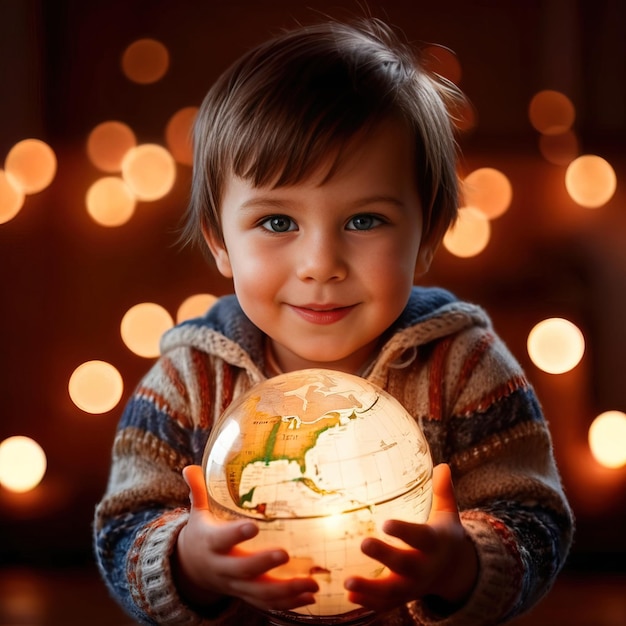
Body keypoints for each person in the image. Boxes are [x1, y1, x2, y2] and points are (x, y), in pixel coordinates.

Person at [94, 18, 574, 626]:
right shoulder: (190, 378)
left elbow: (535, 523)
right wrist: (186, 561)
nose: (321, 265)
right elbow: (122, 531)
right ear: (219, 241)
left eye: (365, 220)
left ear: (426, 236)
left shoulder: (465, 365)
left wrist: (460, 564)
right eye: (276, 222)